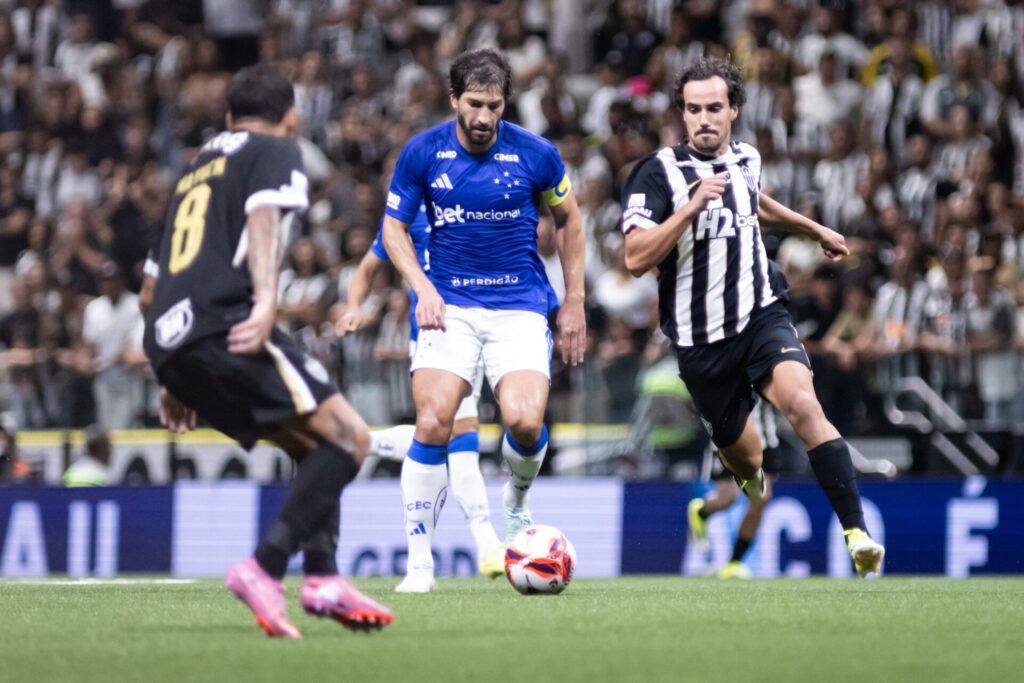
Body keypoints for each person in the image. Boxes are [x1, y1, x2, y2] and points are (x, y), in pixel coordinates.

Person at [141, 64, 393, 637]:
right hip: (225, 322)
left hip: (171, 342)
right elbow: (263, 220)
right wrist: (264, 303)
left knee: (315, 438)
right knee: (352, 438)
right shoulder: (276, 148)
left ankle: (324, 577)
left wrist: (169, 375)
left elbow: (151, 289)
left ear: (229, 117)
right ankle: (264, 567)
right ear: (292, 118)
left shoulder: (193, 172)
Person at [620, 57, 884, 577]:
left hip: (761, 314)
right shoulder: (658, 173)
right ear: (682, 113)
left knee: (805, 406)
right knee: (749, 464)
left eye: (714, 107)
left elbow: (754, 201)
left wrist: (815, 230)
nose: (704, 119)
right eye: (693, 109)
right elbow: (634, 259)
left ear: (734, 109)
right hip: (702, 346)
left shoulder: (746, 157)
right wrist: (690, 209)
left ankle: (858, 535)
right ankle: (739, 479)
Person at [380, 49, 586, 592]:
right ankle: (419, 562)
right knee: (433, 421)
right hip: (449, 305)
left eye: (494, 105)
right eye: (474, 104)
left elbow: (569, 221)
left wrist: (574, 302)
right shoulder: (422, 152)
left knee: (523, 421)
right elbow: (393, 230)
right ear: (453, 99)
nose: (484, 117)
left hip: (518, 303)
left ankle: (515, 502)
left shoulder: (536, 154)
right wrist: (422, 288)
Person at [337, 205, 507, 584]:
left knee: (443, 436)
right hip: (434, 335)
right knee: (454, 436)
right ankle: (481, 544)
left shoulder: (475, 198)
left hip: (477, 328)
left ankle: (358, 440)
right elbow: (366, 268)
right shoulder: (407, 211)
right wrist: (353, 307)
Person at [687, 400, 783, 578]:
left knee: (761, 499)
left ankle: (735, 563)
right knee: (727, 500)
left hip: (765, 440)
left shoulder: (767, 371)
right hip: (726, 439)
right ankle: (702, 512)